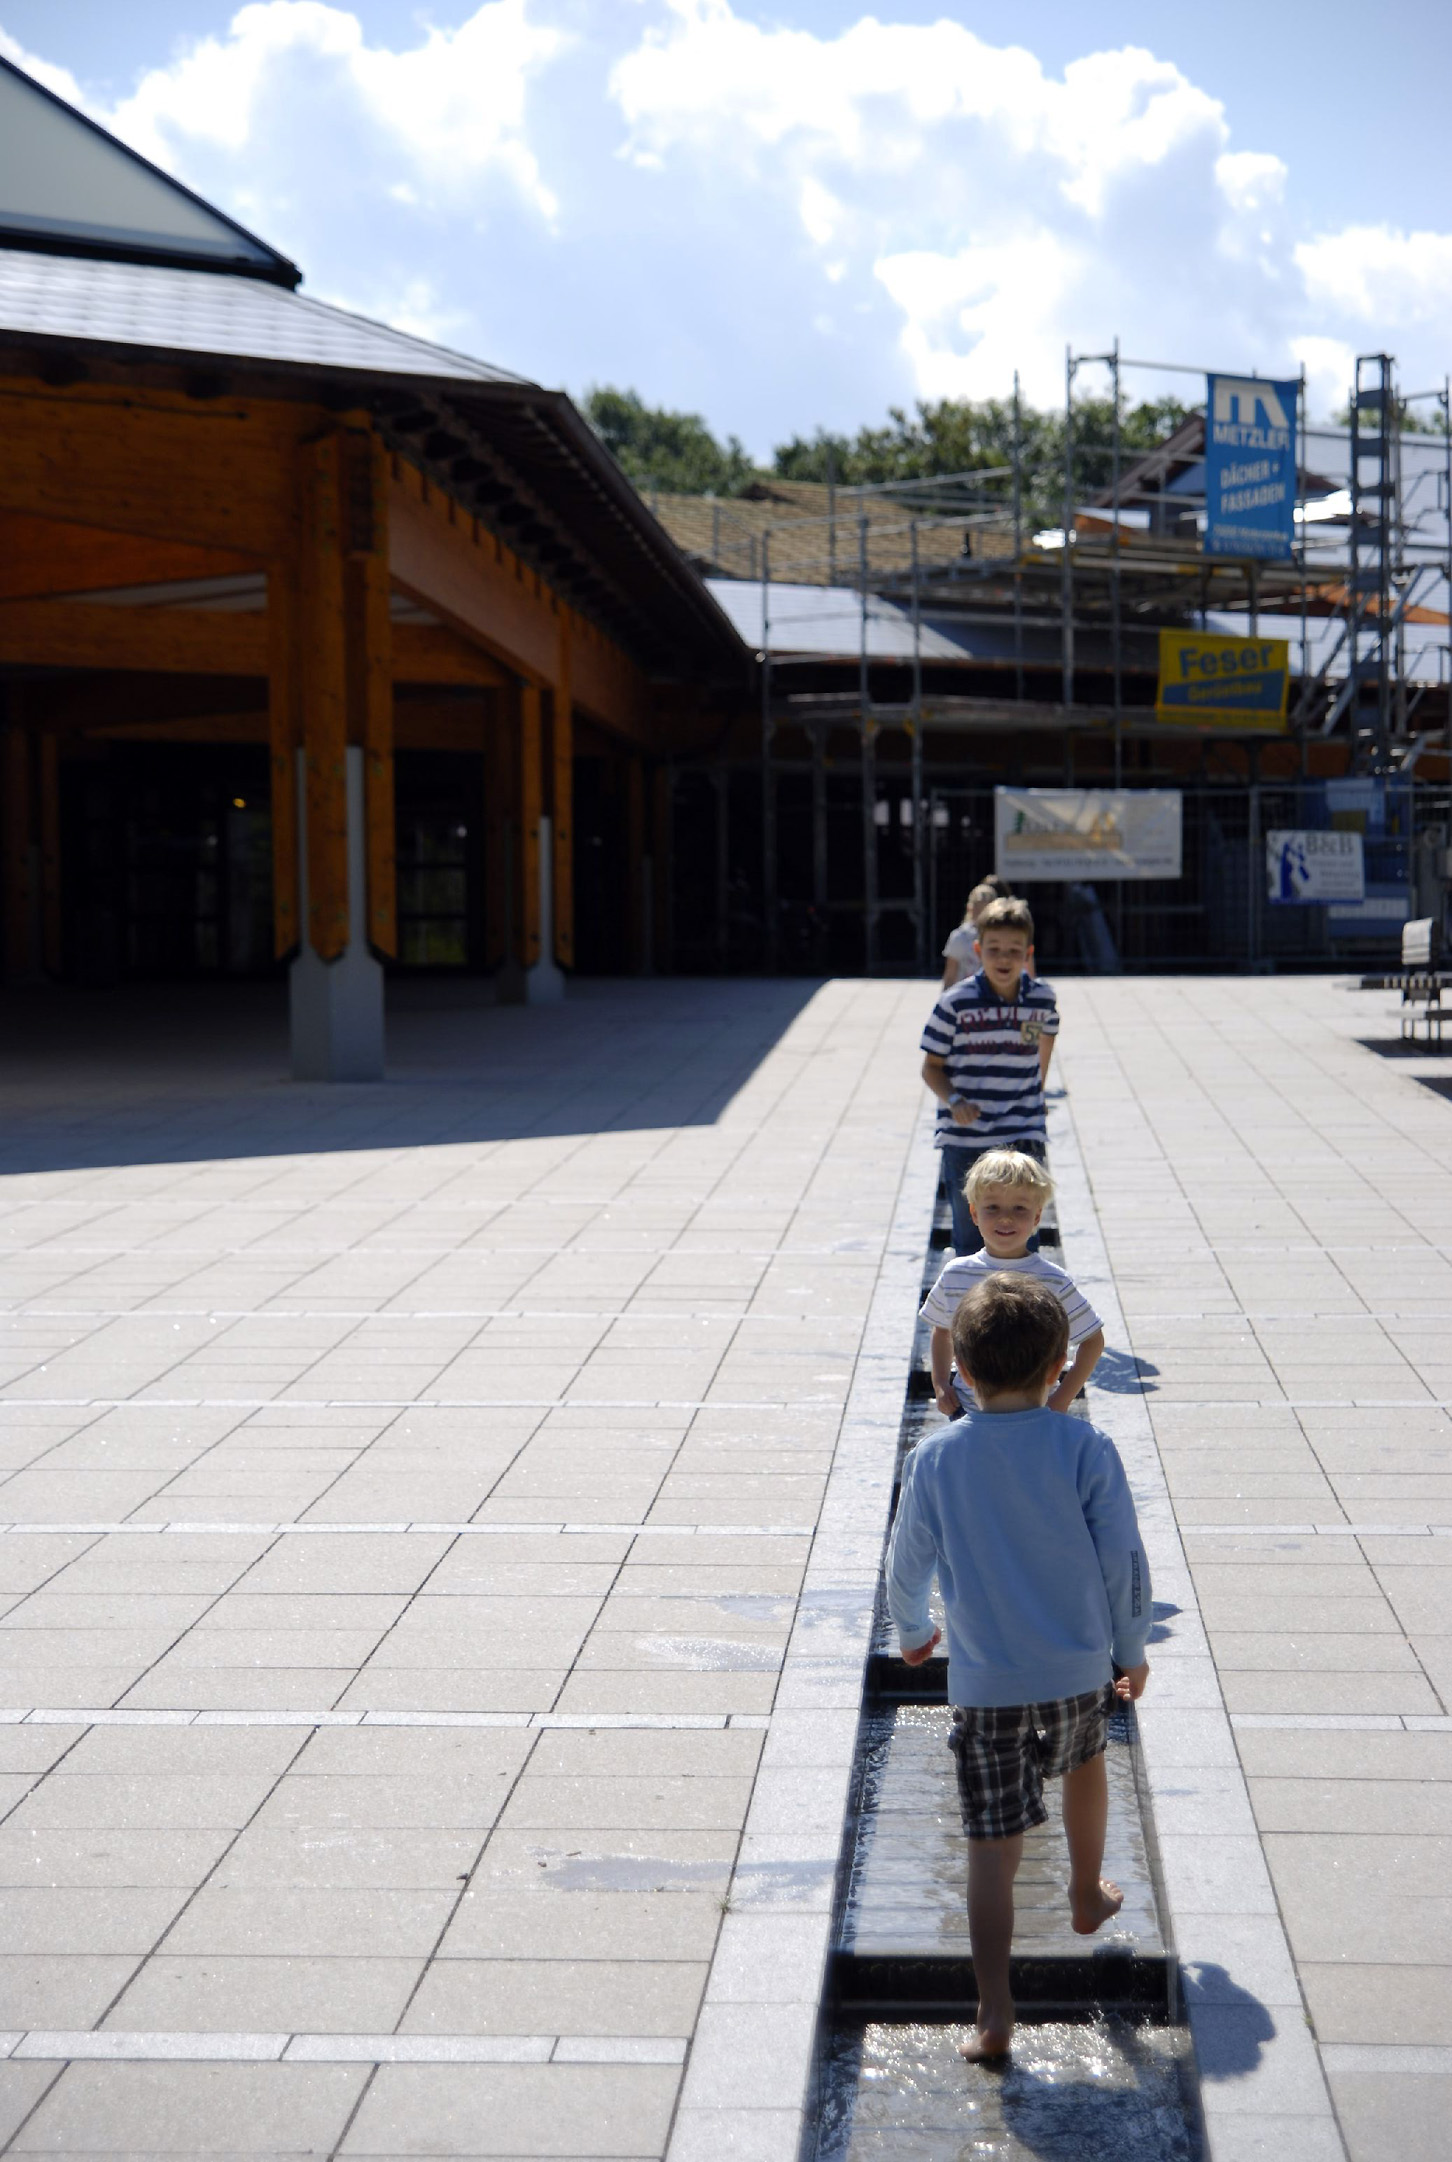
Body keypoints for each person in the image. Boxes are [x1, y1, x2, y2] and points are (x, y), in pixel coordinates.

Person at [887, 1273, 1151, 2061]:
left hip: (984, 1682)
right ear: (1059, 1366)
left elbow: (908, 1562)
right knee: (1085, 1766)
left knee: (990, 1849)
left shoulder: (937, 1458)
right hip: (1076, 1668)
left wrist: (913, 1632)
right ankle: (1084, 1891)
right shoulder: (1084, 1447)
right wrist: (1131, 1650)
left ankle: (994, 2011)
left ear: (963, 1370)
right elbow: (1123, 1560)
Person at [920, 896, 1057, 1255]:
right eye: (994, 949)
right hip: (966, 1137)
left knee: (1024, 1241)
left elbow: (1043, 1046)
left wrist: (1037, 1093)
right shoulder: (955, 1004)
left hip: (1022, 1134)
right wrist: (954, 1100)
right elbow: (931, 1067)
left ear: (1027, 953)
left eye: (1014, 951)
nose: (1004, 959)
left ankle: (1021, 1296)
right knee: (971, 1242)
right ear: (978, 950)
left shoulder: (1041, 1000)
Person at [921, 1150, 1104, 1417]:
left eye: (1019, 1208)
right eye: (993, 1207)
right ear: (974, 1213)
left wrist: (1062, 1398)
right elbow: (942, 1331)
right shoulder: (956, 1274)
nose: (1005, 1218)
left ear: (1037, 1217)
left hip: (1035, 1414)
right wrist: (940, 1384)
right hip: (970, 1412)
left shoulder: (1053, 1279)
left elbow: (1092, 1340)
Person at [941, 873, 1012, 988]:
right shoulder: (960, 937)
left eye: (985, 910)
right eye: (978, 909)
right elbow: (950, 975)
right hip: (965, 994)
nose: (980, 915)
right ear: (970, 909)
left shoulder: (1004, 937)